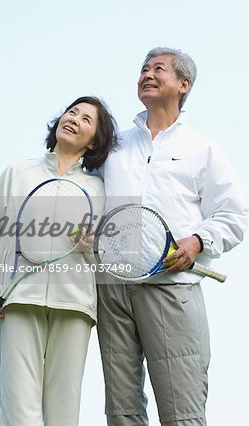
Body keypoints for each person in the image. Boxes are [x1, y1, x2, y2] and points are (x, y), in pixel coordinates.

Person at [97, 47, 248, 426]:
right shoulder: (114, 145)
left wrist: (197, 242)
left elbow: (234, 215)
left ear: (184, 84)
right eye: (143, 69)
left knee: (182, 412)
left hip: (170, 285)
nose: (147, 74)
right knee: (121, 412)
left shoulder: (201, 148)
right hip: (112, 288)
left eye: (158, 69)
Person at [0, 96, 118, 426]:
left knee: (64, 413)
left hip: (75, 306)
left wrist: (91, 244)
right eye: (72, 112)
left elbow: (108, 253)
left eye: (86, 119)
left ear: (94, 140)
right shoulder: (17, 173)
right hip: (18, 300)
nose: (74, 119)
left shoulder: (100, 189)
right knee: (18, 410)